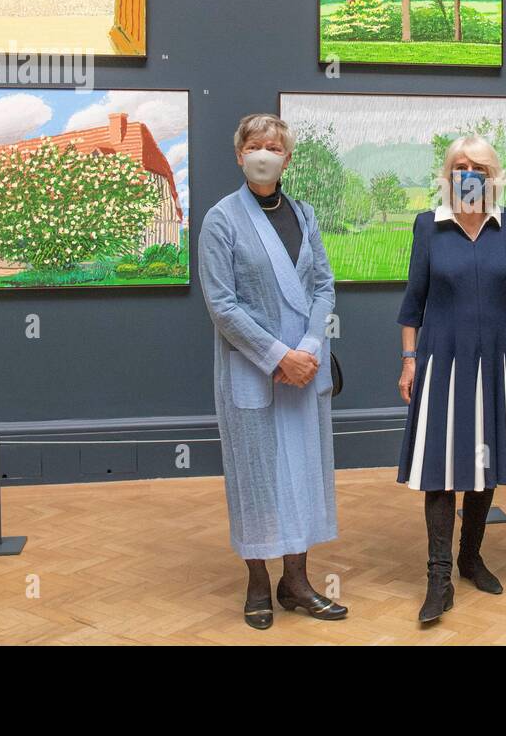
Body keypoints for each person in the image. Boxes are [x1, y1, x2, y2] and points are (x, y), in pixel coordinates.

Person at [198, 113, 347, 630]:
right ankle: (258, 582)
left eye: (275, 146)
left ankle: (297, 582)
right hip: (254, 369)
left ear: (288, 158)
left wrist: (307, 349)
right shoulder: (221, 219)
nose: (265, 153)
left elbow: (324, 287)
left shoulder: (304, 215)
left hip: (305, 369)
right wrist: (278, 356)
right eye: (255, 145)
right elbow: (221, 304)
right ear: (240, 154)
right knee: (256, 477)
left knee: (305, 472)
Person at [395, 134, 506, 624]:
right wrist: (409, 360)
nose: (468, 171)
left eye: (478, 165)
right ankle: (439, 578)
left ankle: (470, 557)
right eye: (459, 164)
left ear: (493, 175)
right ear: (447, 173)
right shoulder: (427, 226)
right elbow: (413, 301)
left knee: (485, 460)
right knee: (440, 466)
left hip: (497, 360)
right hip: (442, 359)